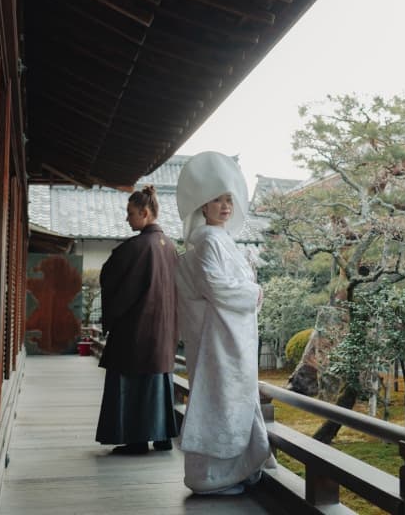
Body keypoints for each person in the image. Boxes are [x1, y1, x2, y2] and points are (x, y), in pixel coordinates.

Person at [175, 152, 274, 495]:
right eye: (217, 199)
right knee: (220, 400)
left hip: (226, 335)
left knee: (229, 398)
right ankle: (212, 477)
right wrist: (254, 292)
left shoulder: (217, 240)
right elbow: (215, 287)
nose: (224, 205)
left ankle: (232, 469)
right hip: (222, 337)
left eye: (228, 198)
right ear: (203, 206)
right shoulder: (209, 242)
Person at [96, 185, 179, 455]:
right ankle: (163, 435)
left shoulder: (136, 247)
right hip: (165, 329)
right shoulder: (171, 248)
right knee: (159, 381)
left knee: (133, 382)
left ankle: (137, 440)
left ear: (145, 213)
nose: (127, 218)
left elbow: (113, 281)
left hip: (138, 330)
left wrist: (111, 316)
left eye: (130, 213)